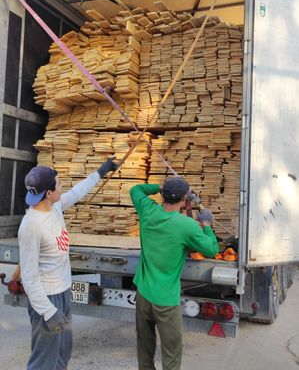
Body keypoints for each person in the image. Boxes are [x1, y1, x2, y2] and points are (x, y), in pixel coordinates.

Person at [18, 158, 118, 370]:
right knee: (44, 361)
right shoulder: (31, 226)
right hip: (46, 298)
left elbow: (77, 192)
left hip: (62, 292)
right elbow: (29, 277)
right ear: (48, 193)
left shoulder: (54, 207)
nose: (62, 187)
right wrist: (48, 311)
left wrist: (100, 172)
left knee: (63, 353)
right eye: (59, 184)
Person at [130, 177, 218, 370]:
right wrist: (207, 225)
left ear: (163, 195)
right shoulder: (186, 226)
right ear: (184, 198)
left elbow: (135, 190)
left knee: (144, 351)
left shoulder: (148, 211)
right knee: (171, 355)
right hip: (166, 301)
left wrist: (160, 187)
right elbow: (211, 249)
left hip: (143, 294)